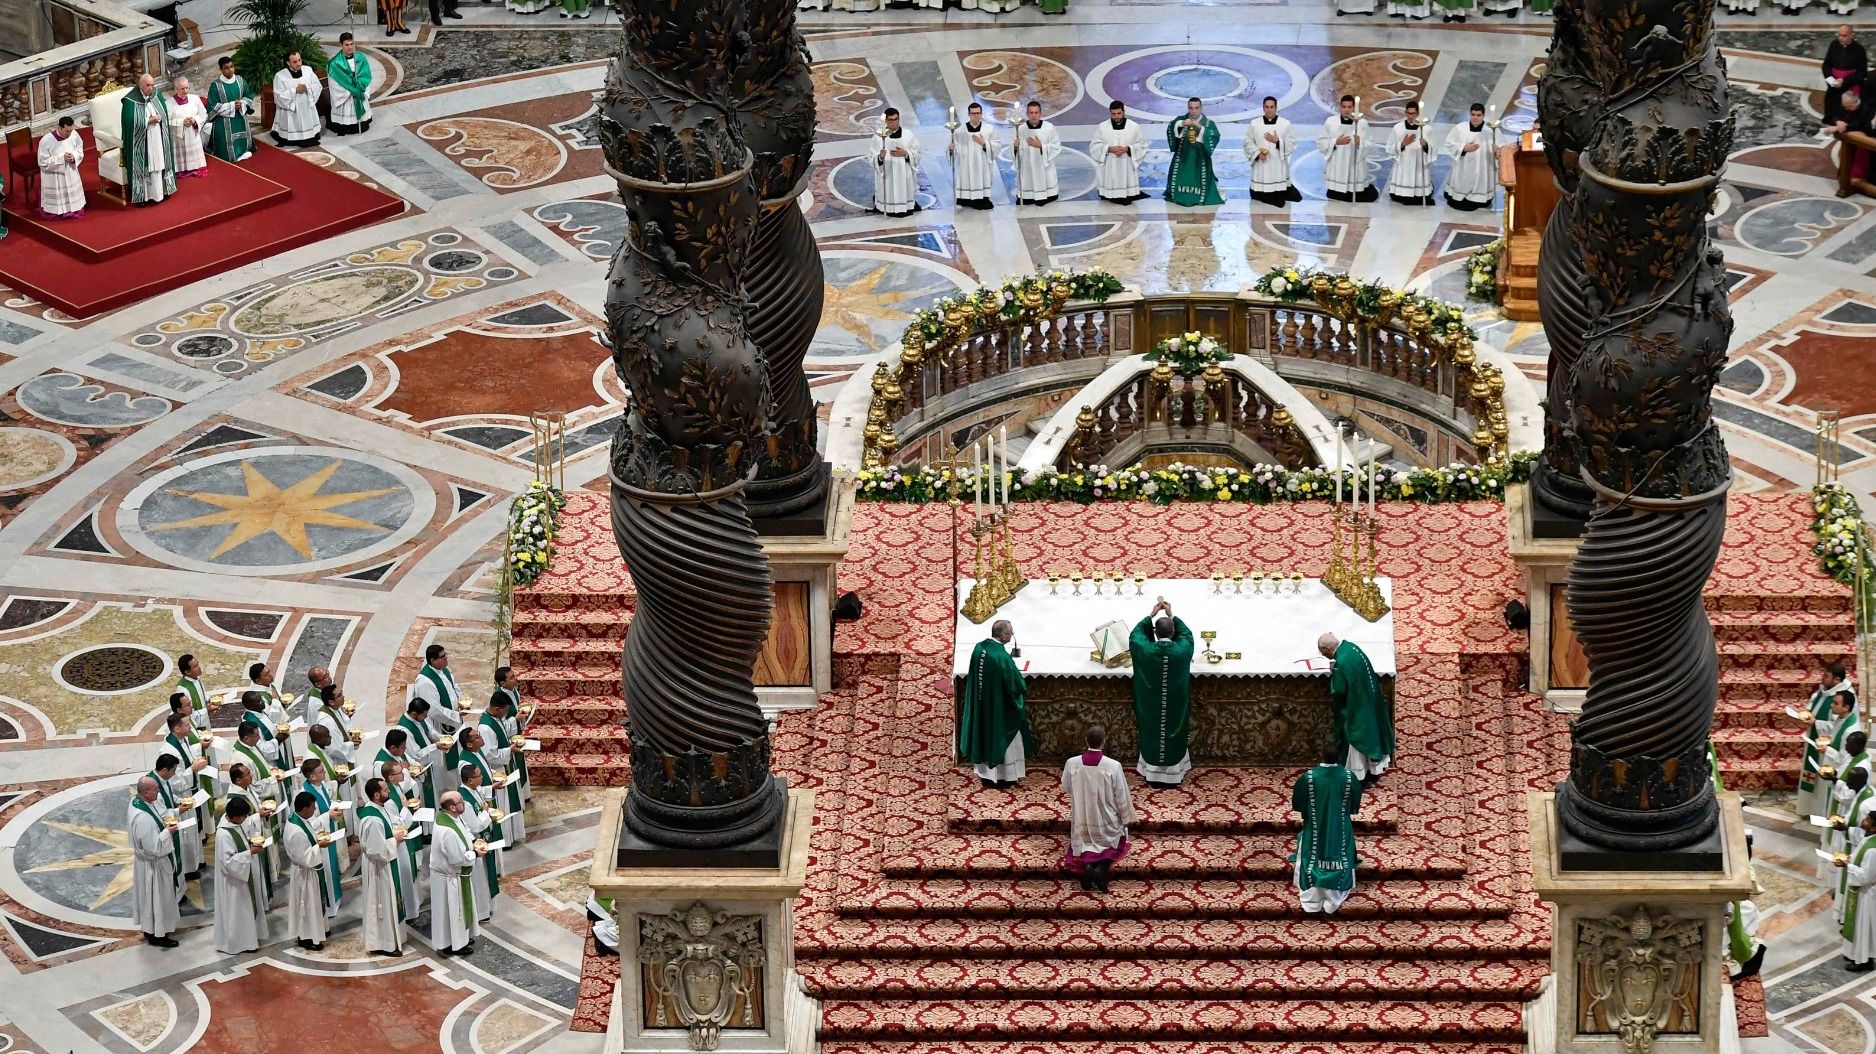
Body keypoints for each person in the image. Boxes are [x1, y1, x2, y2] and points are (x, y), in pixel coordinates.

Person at [958, 619, 1034, 788]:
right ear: (1004, 635)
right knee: (1004, 738)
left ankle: (985, 773)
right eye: (1010, 633)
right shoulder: (1001, 657)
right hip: (999, 709)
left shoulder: (979, 647)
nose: (1012, 635)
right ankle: (1004, 776)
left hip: (982, 706)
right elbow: (1017, 685)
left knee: (984, 735)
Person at [1059, 725, 1134, 893]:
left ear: (1086, 741)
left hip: (1083, 816)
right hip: (1106, 817)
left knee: (1086, 844)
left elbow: (1066, 787)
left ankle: (1087, 867)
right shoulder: (1113, 766)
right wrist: (1125, 817)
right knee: (1115, 842)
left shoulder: (1072, 763)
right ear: (1104, 742)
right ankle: (1100, 869)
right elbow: (1120, 794)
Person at [1129, 598, 1195, 787]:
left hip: (1151, 706)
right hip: (1174, 706)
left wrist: (1151, 615)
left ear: (1156, 633)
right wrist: (1170, 614)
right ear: (1173, 632)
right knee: (1172, 732)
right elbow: (1187, 635)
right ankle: (1174, 774)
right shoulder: (1181, 650)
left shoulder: (1147, 650)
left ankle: (1153, 774)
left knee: (1153, 733)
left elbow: (1135, 636)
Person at [1290, 746, 1363, 914]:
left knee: (1312, 854)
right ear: (1339, 758)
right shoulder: (1349, 777)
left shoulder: (1308, 777)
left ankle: (1312, 900)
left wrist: (1308, 813)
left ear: (1321, 756)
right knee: (1340, 853)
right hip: (1340, 826)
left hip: (1315, 826)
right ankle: (1333, 898)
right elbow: (1354, 803)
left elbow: (1298, 802)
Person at [1319, 632, 1394, 781]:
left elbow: (1339, 690)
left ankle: (1359, 776)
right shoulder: (1351, 648)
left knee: (1357, 738)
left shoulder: (1342, 662)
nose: (1325, 656)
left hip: (1357, 706)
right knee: (1372, 734)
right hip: (1370, 698)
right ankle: (1373, 771)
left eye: (1323, 653)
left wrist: (1334, 673)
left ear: (1328, 649)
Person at [355, 777, 410, 956]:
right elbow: (375, 850)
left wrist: (393, 835)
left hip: (383, 863)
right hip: (379, 867)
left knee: (389, 902)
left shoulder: (378, 809)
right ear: (377, 795)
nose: (389, 793)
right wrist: (396, 840)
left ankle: (391, 939)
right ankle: (384, 943)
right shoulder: (373, 819)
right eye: (386, 790)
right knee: (382, 904)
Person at [1799, 661, 1858, 817]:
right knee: (1812, 777)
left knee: (1822, 785)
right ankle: (1809, 809)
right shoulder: (1826, 690)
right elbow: (1815, 703)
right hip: (1817, 742)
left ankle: (1819, 813)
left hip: (1830, 749)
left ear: (1837, 680)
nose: (1822, 678)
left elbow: (1838, 726)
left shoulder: (1846, 696)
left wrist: (1815, 722)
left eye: (1826, 676)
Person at [128, 775, 182, 947]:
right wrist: (168, 832)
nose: (158, 792)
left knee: (151, 900)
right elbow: (153, 848)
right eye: (155, 790)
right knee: (157, 899)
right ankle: (158, 935)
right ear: (145, 792)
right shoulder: (143, 817)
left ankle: (152, 929)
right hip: (153, 865)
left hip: (147, 864)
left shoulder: (137, 803)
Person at [431, 791, 486, 956]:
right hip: (450, 877)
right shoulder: (447, 831)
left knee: (456, 911)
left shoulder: (451, 818)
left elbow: (466, 831)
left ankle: (461, 939)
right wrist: (476, 854)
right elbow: (457, 859)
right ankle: (452, 944)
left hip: (454, 875)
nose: (464, 802)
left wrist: (475, 842)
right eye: (461, 801)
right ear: (452, 807)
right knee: (453, 913)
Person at [214, 796, 266, 953]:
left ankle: (249, 938)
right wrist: (250, 852)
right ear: (235, 816)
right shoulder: (223, 834)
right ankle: (238, 943)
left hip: (242, 875)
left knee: (245, 908)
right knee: (236, 912)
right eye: (243, 816)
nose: (245, 819)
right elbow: (228, 863)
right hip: (233, 882)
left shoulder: (233, 823)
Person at [223, 762, 280, 903]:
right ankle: (261, 902)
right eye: (248, 774)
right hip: (249, 841)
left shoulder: (246, 789)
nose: (251, 775)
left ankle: (265, 899)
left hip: (258, 833)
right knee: (256, 875)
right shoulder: (234, 798)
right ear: (238, 780)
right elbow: (239, 824)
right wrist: (258, 816)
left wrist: (262, 810)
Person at [162, 713, 212, 874]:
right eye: (186, 725)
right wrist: (193, 769)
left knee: (194, 830)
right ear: (177, 728)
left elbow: (188, 756)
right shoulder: (169, 750)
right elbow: (174, 781)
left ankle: (197, 861)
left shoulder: (180, 740)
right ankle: (189, 868)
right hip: (182, 795)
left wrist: (194, 763)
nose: (190, 728)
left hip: (190, 789)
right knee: (187, 834)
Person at [378, 760, 427, 922]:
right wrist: (407, 809)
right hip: (399, 843)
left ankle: (414, 904)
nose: (403, 775)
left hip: (407, 838)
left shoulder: (397, 787)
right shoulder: (389, 800)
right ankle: (409, 909)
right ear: (391, 778)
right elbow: (399, 826)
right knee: (405, 874)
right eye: (400, 773)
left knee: (411, 873)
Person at [282, 792, 331, 948]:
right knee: (307, 906)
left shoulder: (297, 818)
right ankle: (307, 938)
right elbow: (305, 858)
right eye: (312, 807)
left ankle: (319, 929)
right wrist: (320, 846)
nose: (314, 809)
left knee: (314, 904)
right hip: (305, 872)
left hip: (309, 871)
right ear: (304, 809)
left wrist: (317, 840)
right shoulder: (296, 832)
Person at [120, 74, 176, 207]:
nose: (151, 88)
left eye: (152, 85)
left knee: (159, 164)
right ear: (140, 85)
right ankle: (144, 196)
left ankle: (161, 192)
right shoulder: (130, 101)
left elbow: (164, 112)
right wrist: (148, 121)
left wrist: (160, 118)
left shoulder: (155, 94)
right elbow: (129, 122)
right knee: (148, 167)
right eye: (148, 85)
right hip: (143, 141)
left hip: (157, 137)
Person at [298, 760, 346, 917]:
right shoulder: (305, 794)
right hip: (319, 838)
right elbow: (310, 822)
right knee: (326, 870)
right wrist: (329, 815)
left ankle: (335, 901)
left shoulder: (321, 785)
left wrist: (335, 807)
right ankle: (329, 906)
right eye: (321, 771)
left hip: (328, 832)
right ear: (312, 777)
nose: (324, 773)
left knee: (332, 866)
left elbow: (326, 804)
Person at [457, 763, 503, 922]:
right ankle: (482, 910)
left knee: (487, 874)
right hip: (476, 842)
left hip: (484, 838)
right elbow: (475, 826)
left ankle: (487, 907)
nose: (482, 777)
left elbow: (482, 794)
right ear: (470, 780)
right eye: (479, 776)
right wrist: (485, 812)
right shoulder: (465, 800)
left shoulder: (472, 789)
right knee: (481, 878)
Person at [479, 697, 529, 842]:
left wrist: (515, 721)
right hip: (498, 770)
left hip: (506, 764)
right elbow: (490, 755)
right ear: (497, 709)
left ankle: (513, 834)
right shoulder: (485, 728)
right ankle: (506, 839)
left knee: (512, 801)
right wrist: (510, 751)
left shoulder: (495, 717)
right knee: (505, 804)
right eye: (505, 711)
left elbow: (504, 729)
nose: (506, 714)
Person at [150, 752, 202, 878]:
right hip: (163, 828)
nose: (174, 774)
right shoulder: (153, 785)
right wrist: (180, 810)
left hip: (172, 818)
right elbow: (161, 814)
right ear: (164, 769)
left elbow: (169, 794)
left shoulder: (162, 779)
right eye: (173, 770)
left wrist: (180, 801)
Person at [1165, 97, 1224, 207]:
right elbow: (1171, 127)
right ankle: (1179, 195)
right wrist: (1182, 123)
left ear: (1201, 108)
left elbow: (1214, 135)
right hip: (1183, 157)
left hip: (1200, 160)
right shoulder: (1182, 119)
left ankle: (1198, 196)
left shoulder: (1207, 123)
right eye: (1191, 108)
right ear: (1188, 108)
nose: (1193, 111)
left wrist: (1200, 128)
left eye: (1196, 108)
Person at [1318, 96, 1377, 202]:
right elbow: (1321, 142)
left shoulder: (1361, 124)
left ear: (1354, 108)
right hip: (1337, 167)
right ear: (1340, 107)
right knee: (1334, 195)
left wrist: (1360, 143)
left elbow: (1371, 144)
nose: (1347, 109)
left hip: (1354, 167)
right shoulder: (1331, 122)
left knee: (1360, 195)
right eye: (1344, 106)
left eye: (1349, 107)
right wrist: (1335, 142)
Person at [1246, 96, 1302, 207]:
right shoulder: (1255, 124)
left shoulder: (1285, 124)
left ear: (1276, 108)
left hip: (1278, 166)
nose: (1269, 109)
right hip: (1262, 166)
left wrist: (1277, 141)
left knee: (1296, 197)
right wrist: (1257, 153)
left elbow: (1292, 143)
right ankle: (1266, 195)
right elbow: (1248, 142)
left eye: (1272, 107)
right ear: (1263, 108)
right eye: (1266, 107)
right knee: (1269, 197)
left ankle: (1282, 190)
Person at [1089, 101, 1147, 205]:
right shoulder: (1102, 127)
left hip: (1127, 162)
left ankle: (1127, 192)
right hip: (1110, 163)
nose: (1116, 116)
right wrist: (1108, 149)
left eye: (1119, 113)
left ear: (1124, 112)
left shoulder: (1134, 126)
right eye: (1113, 114)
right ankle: (1109, 193)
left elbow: (1142, 145)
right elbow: (1094, 145)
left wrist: (1128, 149)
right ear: (1110, 113)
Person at [490, 668, 531, 805]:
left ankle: (524, 795)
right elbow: (501, 725)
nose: (516, 678)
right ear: (502, 683)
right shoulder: (500, 699)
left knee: (521, 764)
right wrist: (516, 719)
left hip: (517, 735)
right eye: (512, 677)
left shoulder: (513, 690)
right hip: (508, 740)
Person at [1443, 104, 1495, 210]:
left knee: (1479, 186)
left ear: (1483, 115)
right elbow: (1449, 143)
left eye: (1478, 115)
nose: (1475, 117)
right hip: (1463, 166)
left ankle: (1478, 199)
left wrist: (1497, 150)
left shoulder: (1490, 131)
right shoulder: (1460, 128)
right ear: (1469, 114)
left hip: (1481, 167)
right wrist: (1463, 148)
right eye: (1473, 114)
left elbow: (1501, 146)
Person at [1384, 100, 1435, 206]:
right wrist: (1402, 144)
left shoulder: (1426, 129)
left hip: (1419, 165)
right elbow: (1389, 147)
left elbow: (1434, 149)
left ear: (1418, 113)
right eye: (1408, 113)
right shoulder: (1398, 128)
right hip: (1403, 164)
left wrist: (1425, 145)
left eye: (1413, 113)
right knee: (1399, 196)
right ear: (1405, 113)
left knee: (1421, 194)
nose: (1411, 116)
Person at [205, 57, 256, 162]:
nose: (230, 70)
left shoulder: (240, 80)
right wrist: (232, 106)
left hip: (240, 115)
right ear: (221, 70)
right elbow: (212, 105)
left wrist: (242, 103)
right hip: (223, 120)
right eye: (226, 68)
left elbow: (249, 95)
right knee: (226, 150)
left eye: (232, 67)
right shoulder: (216, 85)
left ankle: (243, 150)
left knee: (244, 135)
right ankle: (229, 154)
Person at [872, 108, 921, 217]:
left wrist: (906, 153)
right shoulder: (878, 137)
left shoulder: (908, 135)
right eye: (890, 120)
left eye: (896, 119)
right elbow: (871, 156)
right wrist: (880, 157)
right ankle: (887, 207)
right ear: (885, 121)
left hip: (904, 173)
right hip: (888, 174)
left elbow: (917, 152)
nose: (894, 122)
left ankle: (906, 206)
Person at [1844, 811, 1876, 971]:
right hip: (1864, 892)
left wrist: (1847, 866)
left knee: (1864, 926)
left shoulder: (1873, 849)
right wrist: (1850, 858)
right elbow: (1858, 856)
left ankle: (1864, 960)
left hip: (1868, 894)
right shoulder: (1869, 839)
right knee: (1860, 925)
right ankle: (1858, 954)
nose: (1864, 820)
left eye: (1868, 820)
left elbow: (1867, 877)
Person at [949, 102, 997, 210]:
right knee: (966, 180)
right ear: (969, 114)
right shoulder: (959, 130)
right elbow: (954, 149)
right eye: (973, 113)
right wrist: (951, 149)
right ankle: (966, 199)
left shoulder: (989, 129)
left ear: (981, 114)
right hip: (966, 165)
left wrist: (984, 143)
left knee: (982, 181)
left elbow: (997, 145)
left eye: (978, 113)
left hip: (982, 164)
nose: (976, 116)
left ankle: (983, 198)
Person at [1014, 100, 1062, 206]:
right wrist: (1015, 147)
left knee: (1047, 195)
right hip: (1028, 169)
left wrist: (1041, 146)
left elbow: (1056, 147)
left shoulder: (1049, 128)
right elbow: (1016, 152)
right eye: (1031, 113)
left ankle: (1044, 194)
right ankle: (1028, 196)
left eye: (1036, 113)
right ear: (1027, 114)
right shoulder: (1021, 129)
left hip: (1043, 169)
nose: (1034, 116)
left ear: (1040, 113)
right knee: (1026, 197)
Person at [36, 117, 86, 219]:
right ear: (59, 127)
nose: (69, 134)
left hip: (70, 172)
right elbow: (42, 162)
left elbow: (79, 149)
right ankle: (56, 211)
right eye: (67, 131)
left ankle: (73, 207)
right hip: (54, 177)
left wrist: (74, 156)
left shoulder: (74, 135)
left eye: (71, 131)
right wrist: (61, 159)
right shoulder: (46, 141)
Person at [272, 52, 323, 148]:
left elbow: (317, 86)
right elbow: (278, 96)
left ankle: (309, 135)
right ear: (288, 63)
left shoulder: (308, 70)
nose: (299, 63)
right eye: (295, 61)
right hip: (291, 112)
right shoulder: (280, 76)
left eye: (299, 60)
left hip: (306, 108)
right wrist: (294, 90)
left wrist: (307, 87)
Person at [327, 34, 373, 136]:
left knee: (363, 124)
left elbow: (367, 76)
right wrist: (350, 90)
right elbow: (333, 83)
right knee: (345, 125)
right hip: (345, 96)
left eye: (352, 44)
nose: (350, 47)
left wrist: (360, 86)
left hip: (359, 93)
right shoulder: (334, 63)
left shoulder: (360, 58)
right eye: (346, 44)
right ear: (341, 45)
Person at [412, 643, 464, 732]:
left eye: (445, 654)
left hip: (454, 717)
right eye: (442, 656)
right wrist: (455, 715)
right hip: (439, 724)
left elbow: (454, 686)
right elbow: (434, 710)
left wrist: (461, 700)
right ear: (433, 660)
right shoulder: (425, 681)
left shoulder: (443, 669)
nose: (446, 658)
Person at [1825, 26, 1868, 126]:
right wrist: (1830, 79)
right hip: (1834, 84)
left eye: (1844, 35)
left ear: (1851, 35)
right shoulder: (1834, 45)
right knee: (1832, 106)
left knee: (1846, 111)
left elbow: (1862, 72)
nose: (1840, 38)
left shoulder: (1859, 50)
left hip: (1850, 84)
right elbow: (1826, 64)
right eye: (1839, 35)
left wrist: (1844, 81)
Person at [168, 77, 208, 178]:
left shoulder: (195, 99)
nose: (185, 91)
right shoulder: (168, 103)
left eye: (187, 88)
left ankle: (195, 167)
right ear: (176, 89)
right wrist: (182, 122)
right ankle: (181, 169)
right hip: (179, 138)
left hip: (193, 134)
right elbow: (166, 122)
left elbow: (204, 114)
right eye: (182, 89)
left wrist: (195, 120)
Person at [1832, 91, 1872, 186]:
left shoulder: (1865, 109)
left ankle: (1855, 179)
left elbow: (1859, 124)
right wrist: (1837, 122)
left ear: (1855, 102)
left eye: (1849, 107)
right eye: (1845, 106)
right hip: (1848, 138)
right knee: (1843, 156)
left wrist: (1845, 126)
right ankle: (1843, 176)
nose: (1846, 109)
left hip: (1861, 139)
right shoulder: (1845, 105)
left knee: (1859, 161)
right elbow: (1836, 114)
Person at [177, 654, 212, 730]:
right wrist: (207, 710)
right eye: (195, 666)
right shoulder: (183, 690)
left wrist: (211, 701)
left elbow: (202, 695)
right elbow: (187, 714)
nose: (199, 667)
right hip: (194, 726)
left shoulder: (196, 678)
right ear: (187, 672)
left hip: (205, 721)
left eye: (198, 664)